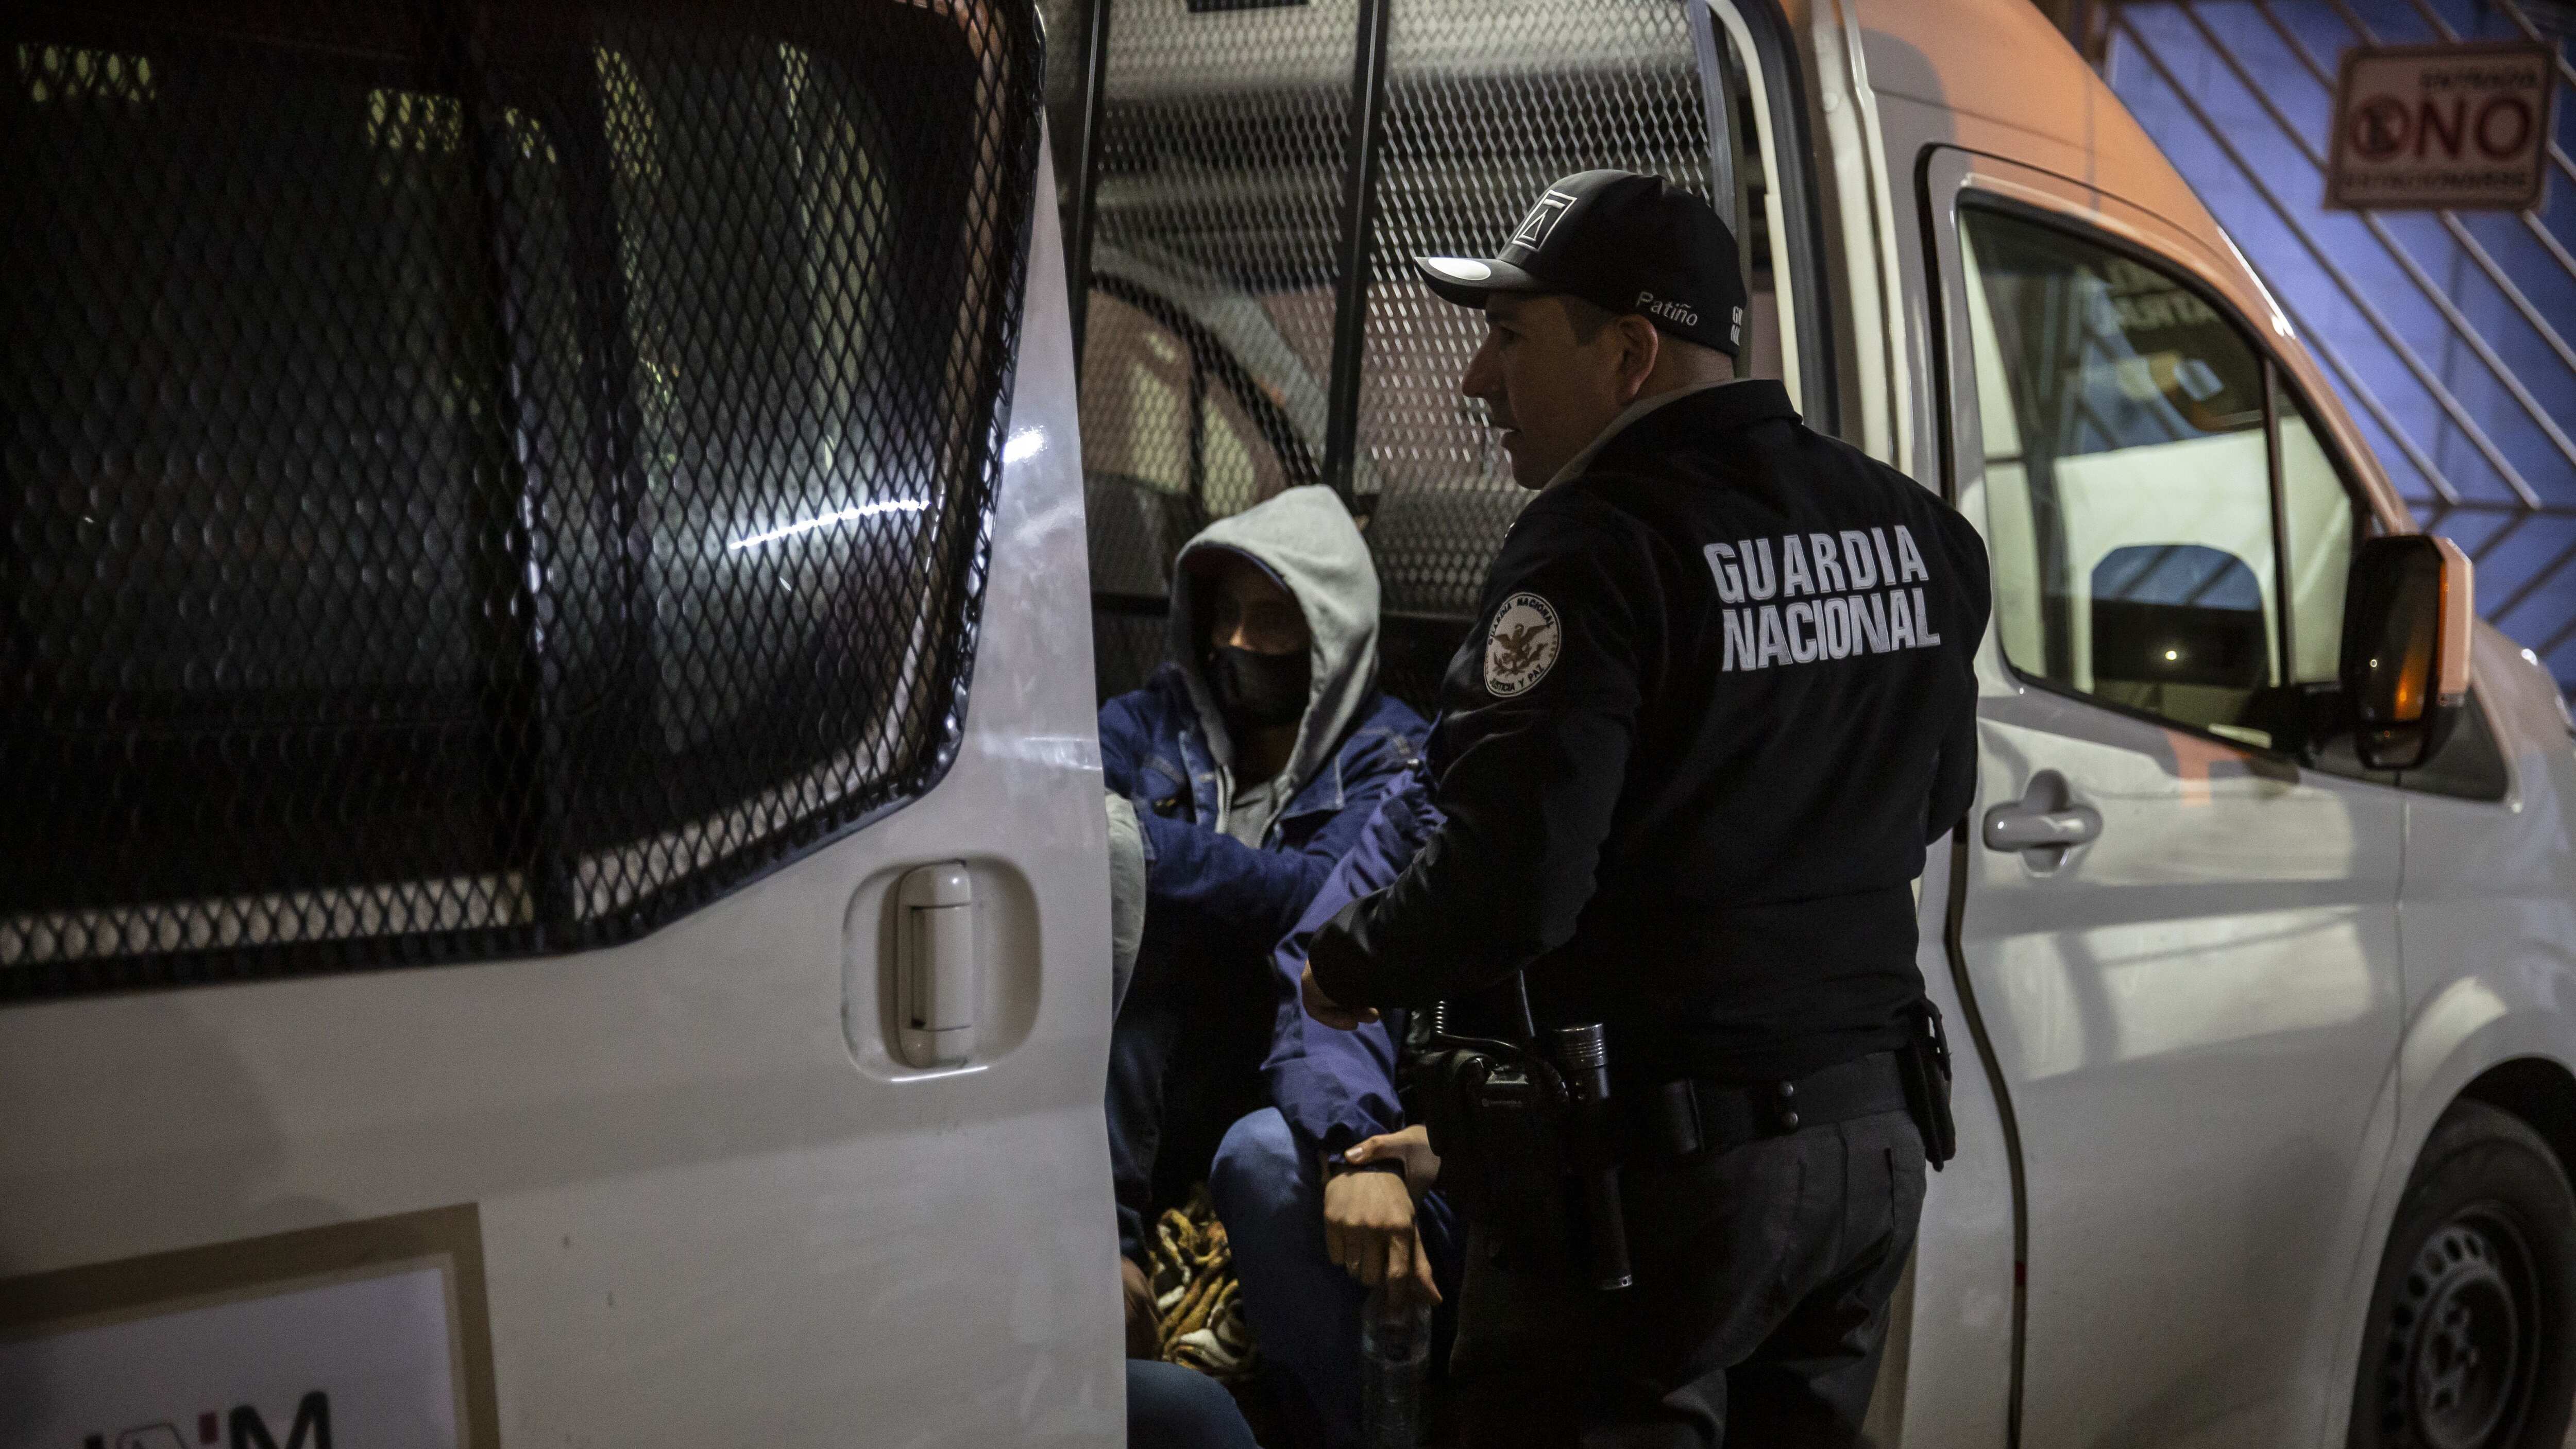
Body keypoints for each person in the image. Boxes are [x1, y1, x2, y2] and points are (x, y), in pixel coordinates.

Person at [1298, 170, 1991, 1447]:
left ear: (1629, 353)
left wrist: (1347, 966)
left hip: (1665, 1186)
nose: (1477, 379)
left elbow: (1517, 878)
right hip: (1870, 1147)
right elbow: (1934, 798)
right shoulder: (1917, 532)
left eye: (1511, 336)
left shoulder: (1595, 544)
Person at [1101, 483, 1429, 1354]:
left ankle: (1122, 1253)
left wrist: (1141, 849)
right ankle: (1101, 1250)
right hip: (1143, 1065)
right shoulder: (1159, 719)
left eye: (1273, 620)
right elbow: (1063, 813)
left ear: (1329, 635)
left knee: (1158, 931)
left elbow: (1316, 897)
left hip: (1284, 1043)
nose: (1238, 642)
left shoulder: (1392, 759)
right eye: (1227, 615)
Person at [1209, 769, 1466, 1449]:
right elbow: (1324, 964)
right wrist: (1359, 1149)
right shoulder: (1434, 789)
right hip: (1411, 1163)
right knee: (1262, 1157)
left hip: (1563, 1170)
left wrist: (1460, 1145)